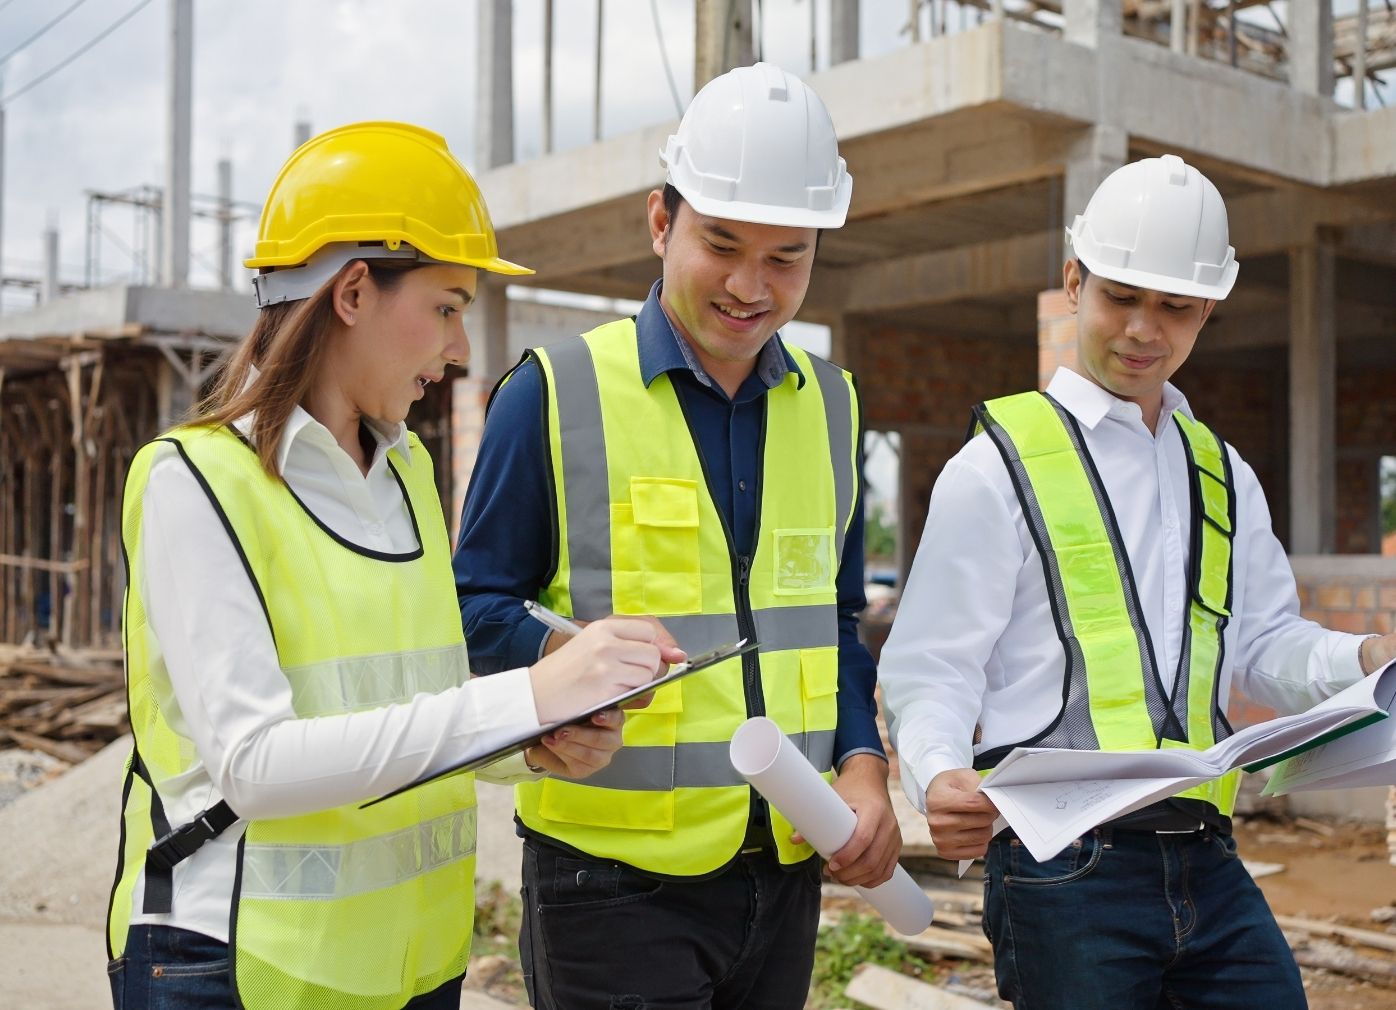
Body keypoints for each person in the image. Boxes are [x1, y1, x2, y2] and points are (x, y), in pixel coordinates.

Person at [105, 121, 681, 1010]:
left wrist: (534, 744)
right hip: (240, 965)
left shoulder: (406, 470)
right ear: (353, 292)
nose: (458, 351)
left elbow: (413, 704)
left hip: (410, 965)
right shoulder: (195, 481)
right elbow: (255, 763)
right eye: (448, 307)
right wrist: (529, 694)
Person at [879, 153, 1396, 1009]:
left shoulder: (1223, 472)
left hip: (1207, 850)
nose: (1143, 330)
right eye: (1121, 296)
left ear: (1209, 311)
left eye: (1175, 307)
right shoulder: (994, 468)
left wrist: (1368, 655)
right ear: (1075, 280)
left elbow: (1261, 644)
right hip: (1062, 867)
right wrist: (937, 772)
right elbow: (932, 667)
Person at [454, 63, 902, 1009]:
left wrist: (864, 770)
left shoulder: (830, 404)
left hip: (783, 867)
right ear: (662, 222)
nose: (750, 286)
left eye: (787, 256)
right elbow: (470, 610)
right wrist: (563, 668)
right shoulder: (553, 393)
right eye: (722, 244)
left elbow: (832, 615)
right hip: (609, 888)